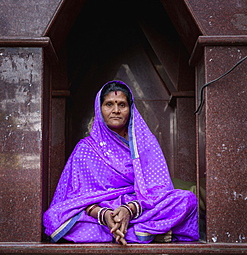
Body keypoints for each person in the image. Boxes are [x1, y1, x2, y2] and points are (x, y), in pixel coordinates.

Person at [43, 80, 199, 244]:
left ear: (130, 109)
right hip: (100, 212)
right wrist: (105, 216)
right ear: (99, 108)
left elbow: (157, 189)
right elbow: (77, 197)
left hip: (139, 207)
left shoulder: (145, 144)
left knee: (186, 199)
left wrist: (128, 210)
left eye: (122, 105)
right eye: (109, 104)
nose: (116, 110)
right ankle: (143, 233)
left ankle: (126, 231)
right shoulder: (86, 148)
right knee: (55, 218)